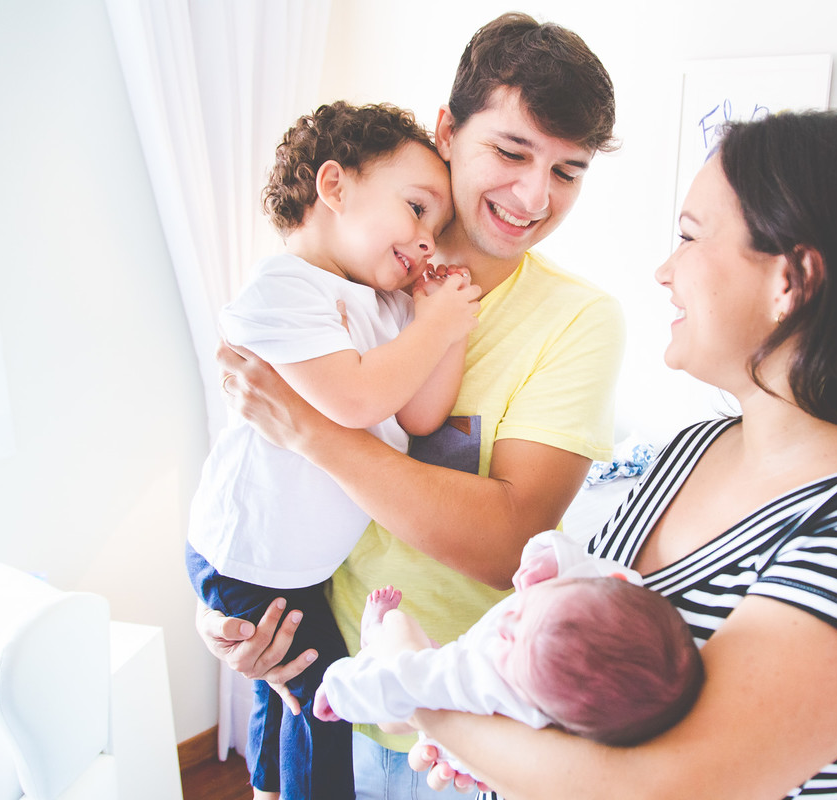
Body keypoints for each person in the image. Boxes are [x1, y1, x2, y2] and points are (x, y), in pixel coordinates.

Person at [392, 110, 837, 799]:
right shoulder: (690, 453)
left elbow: (665, 787)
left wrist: (417, 687)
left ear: (790, 280)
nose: (665, 270)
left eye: (690, 237)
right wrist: (500, 750)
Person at [202, 12, 624, 799]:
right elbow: (249, 466)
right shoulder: (347, 288)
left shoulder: (579, 321)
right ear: (447, 132)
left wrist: (311, 432)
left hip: (463, 728)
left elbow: (508, 542)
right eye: (510, 150)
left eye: (568, 172)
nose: (535, 196)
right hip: (329, 672)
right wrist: (226, 615)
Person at [186, 101, 480, 800]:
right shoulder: (283, 288)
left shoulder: (386, 303)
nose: (427, 242)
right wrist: (430, 323)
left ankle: (264, 787)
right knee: (321, 702)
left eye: (437, 229)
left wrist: (448, 327)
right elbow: (353, 401)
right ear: (334, 186)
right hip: (250, 551)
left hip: (299, 560)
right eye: (416, 208)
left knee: (284, 694)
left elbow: (420, 412)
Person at [312, 531, 703, 770]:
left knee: (413, 654)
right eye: (529, 609)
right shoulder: (605, 593)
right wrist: (550, 559)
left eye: (513, 647)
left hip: (456, 698)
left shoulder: (492, 680)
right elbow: (578, 560)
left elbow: (411, 681)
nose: (507, 623)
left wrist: (341, 690)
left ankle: (373, 635)